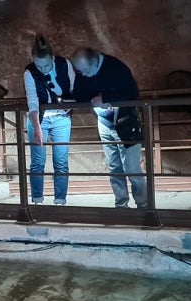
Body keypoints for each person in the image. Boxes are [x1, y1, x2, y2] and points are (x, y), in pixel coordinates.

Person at [71, 47, 146, 209]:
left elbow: (132, 93)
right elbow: (78, 94)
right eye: (79, 71)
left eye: (85, 70)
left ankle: (144, 205)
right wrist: (97, 98)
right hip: (104, 122)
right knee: (114, 167)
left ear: (94, 61)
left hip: (126, 121)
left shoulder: (115, 68)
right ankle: (121, 205)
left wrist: (105, 97)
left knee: (132, 167)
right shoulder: (83, 72)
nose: (83, 74)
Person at [22, 34, 76, 205]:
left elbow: (74, 88)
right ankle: (37, 200)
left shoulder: (64, 64)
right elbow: (32, 101)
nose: (43, 69)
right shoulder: (30, 72)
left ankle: (60, 201)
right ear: (33, 60)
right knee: (37, 161)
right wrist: (37, 128)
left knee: (61, 161)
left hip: (61, 118)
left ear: (52, 58)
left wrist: (71, 104)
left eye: (46, 65)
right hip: (39, 119)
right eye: (39, 65)